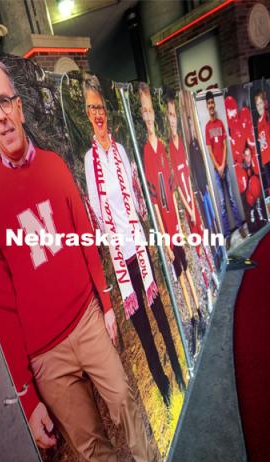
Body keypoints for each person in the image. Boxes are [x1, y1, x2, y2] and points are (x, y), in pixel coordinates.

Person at [0, 49, 158, 462]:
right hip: (45, 357)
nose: (1, 116)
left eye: (4, 101)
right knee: (93, 454)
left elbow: (87, 237)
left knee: (126, 401)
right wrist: (28, 397)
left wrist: (106, 304)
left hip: (86, 319)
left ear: (19, 105)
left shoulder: (54, 167)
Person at [82, 76, 185, 407]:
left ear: (107, 112)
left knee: (160, 315)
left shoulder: (123, 151)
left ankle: (180, 372)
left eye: (100, 106)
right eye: (91, 107)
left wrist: (139, 202)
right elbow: (98, 214)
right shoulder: (89, 161)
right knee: (142, 330)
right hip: (122, 259)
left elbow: (138, 203)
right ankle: (163, 384)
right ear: (86, 114)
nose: (97, 113)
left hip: (139, 249)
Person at [138, 82, 200, 356]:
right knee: (178, 272)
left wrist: (178, 226)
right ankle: (192, 315)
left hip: (175, 221)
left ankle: (198, 309)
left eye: (151, 110)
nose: (149, 115)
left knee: (186, 267)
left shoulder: (161, 147)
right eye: (145, 111)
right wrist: (163, 236)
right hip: (165, 226)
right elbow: (153, 199)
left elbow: (172, 192)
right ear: (141, 115)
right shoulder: (145, 152)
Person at [164, 88, 216, 319]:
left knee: (204, 240)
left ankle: (213, 276)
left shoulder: (183, 144)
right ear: (166, 120)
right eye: (170, 116)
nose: (173, 120)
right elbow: (175, 188)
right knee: (196, 246)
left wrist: (195, 202)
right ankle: (207, 284)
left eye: (175, 115)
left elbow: (189, 175)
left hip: (194, 199)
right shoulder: (169, 150)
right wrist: (189, 208)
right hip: (188, 207)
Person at [205, 90, 245, 249]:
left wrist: (222, 165)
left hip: (225, 168)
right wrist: (217, 166)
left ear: (214, 104)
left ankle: (241, 228)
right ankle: (227, 236)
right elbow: (209, 150)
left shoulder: (221, 124)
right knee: (222, 203)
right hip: (216, 170)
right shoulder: (207, 127)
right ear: (207, 107)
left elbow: (224, 145)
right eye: (208, 103)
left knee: (232, 199)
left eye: (212, 102)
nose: (211, 105)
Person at [186, 113, 223, 271]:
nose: (193, 130)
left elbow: (202, 165)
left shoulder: (198, 146)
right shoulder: (190, 147)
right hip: (201, 191)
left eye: (193, 126)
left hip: (206, 188)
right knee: (208, 223)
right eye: (190, 127)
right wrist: (199, 190)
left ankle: (221, 249)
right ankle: (216, 254)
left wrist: (207, 184)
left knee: (214, 220)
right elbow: (193, 172)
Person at [254, 89, 270, 195]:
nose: (259, 106)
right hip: (265, 160)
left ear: (264, 103)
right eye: (257, 104)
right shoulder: (258, 122)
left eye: (261, 103)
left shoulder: (267, 117)